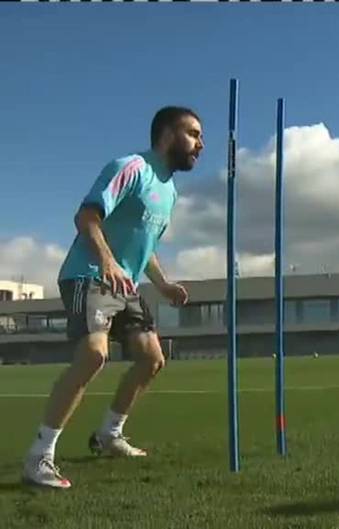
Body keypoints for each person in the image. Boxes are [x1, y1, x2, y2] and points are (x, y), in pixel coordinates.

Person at [22, 106, 203, 489]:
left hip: (126, 286)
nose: (200, 144)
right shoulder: (131, 167)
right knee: (94, 355)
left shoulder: (169, 191)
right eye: (193, 134)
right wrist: (106, 261)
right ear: (168, 135)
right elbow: (86, 216)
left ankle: (109, 435)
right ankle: (40, 456)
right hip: (87, 275)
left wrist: (164, 283)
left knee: (152, 359)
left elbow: (145, 245)